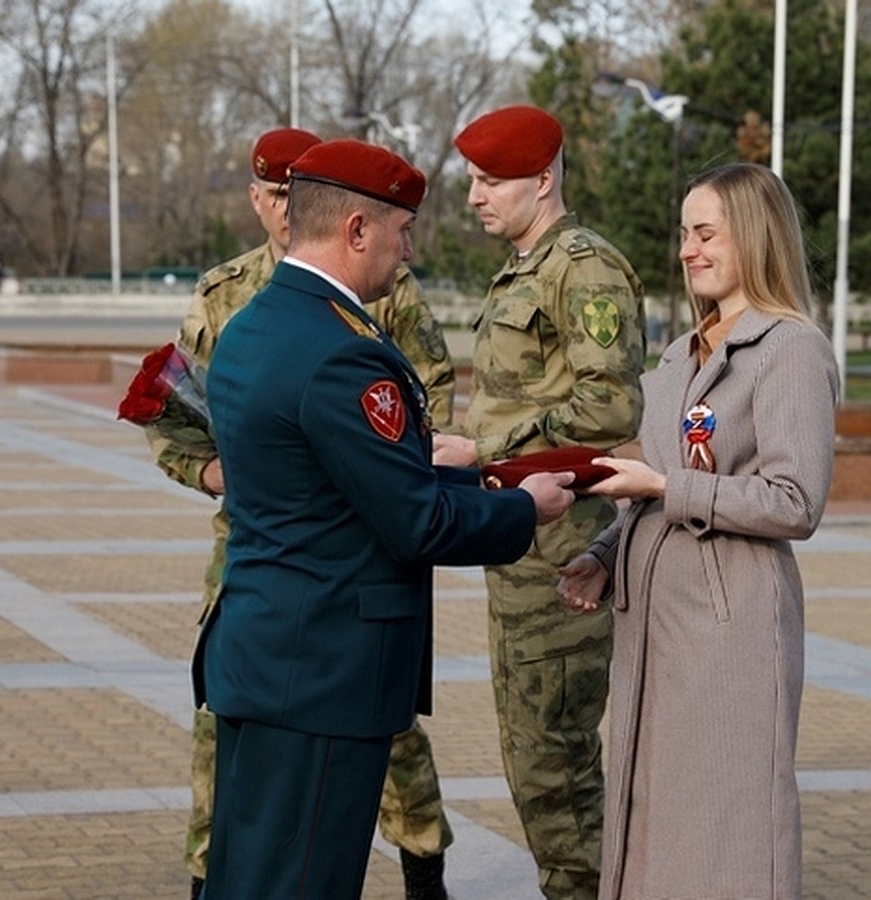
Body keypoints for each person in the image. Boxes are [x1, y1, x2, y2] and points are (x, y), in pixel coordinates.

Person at [194, 137, 576, 899]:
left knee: (247, 876)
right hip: (322, 672)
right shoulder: (341, 352)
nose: (408, 252)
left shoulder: (254, 325)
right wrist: (521, 508)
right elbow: (416, 525)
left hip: (263, 655)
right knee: (303, 883)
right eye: (402, 232)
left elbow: (314, 477)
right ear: (356, 230)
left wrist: (419, 460)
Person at [144, 127, 457, 900]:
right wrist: (217, 472)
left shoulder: (381, 294)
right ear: (259, 199)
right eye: (275, 194)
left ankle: (424, 869)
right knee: (256, 783)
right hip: (273, 562)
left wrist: (420, 462)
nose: (286, 209)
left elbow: (419, 405)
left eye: (297, 193)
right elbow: (169, 410)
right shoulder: (224, 294)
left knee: (381, 750)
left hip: (349, 551)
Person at [557, 162, 839, 899]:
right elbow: (651, 482)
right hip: (654, 629)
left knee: (727, 832)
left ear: (752, 235)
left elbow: (794, 501)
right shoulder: (681, 354)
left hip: (730, 633)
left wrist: (664, 485)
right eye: (684, 233)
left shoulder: (789, 350)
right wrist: (604, 555)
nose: (687, 249)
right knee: (653, 822)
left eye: (706, 232)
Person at [433, 104, 646, 898]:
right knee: (532, 757)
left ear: (543, 180)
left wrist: (488, 452)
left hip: (562, 552)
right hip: (521, 544)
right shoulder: (528, 265)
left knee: (554, 764)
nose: (474, 197)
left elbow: (610, 409)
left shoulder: (581, 267)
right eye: (474, 181)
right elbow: (523, 401)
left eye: (491, 181)